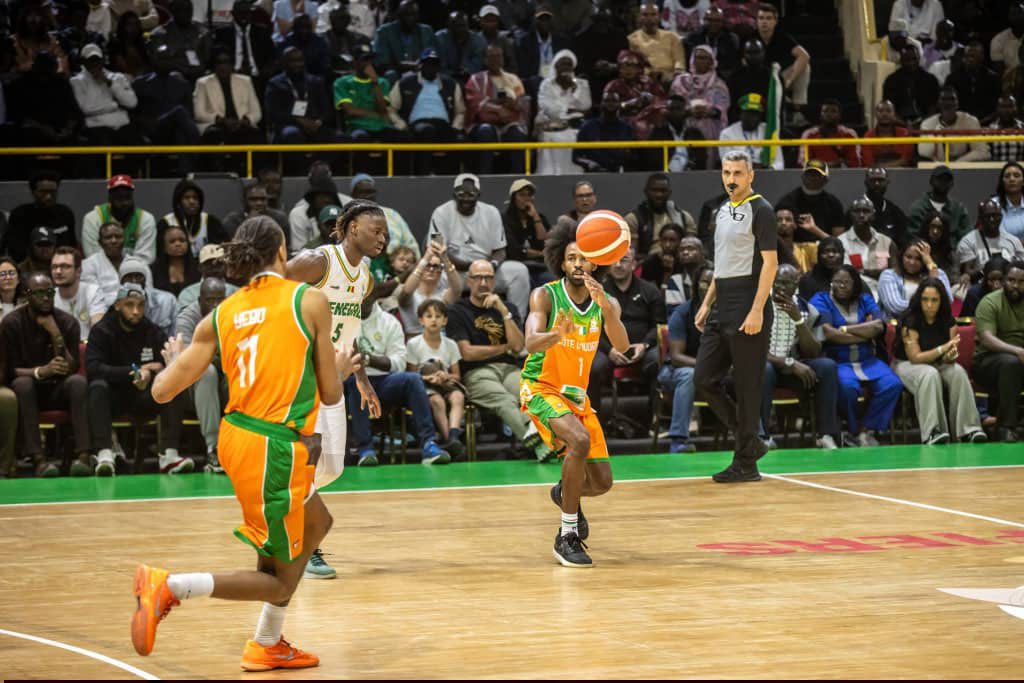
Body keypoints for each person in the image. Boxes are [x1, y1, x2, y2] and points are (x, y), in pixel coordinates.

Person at [135, 215, 358, 669]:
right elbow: (331, 392)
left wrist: (175, 361)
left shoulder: (221, 313)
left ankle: (268, 642)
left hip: (239, 439)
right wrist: (341, 367)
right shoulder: (309, 299)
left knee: (316, 523)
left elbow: (161, 392)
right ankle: (170, 586)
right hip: (273, 446)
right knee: (276, 579)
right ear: (282, 253)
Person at [522, 220, 629, 568]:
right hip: (541, 386)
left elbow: (623, 345)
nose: (578, 264)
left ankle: (563, 493)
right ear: (562, 263)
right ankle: (566, 535)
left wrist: (608, 307)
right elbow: (529, 342)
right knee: (579, 441)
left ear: (595, 262)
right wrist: (555, 334)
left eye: (584, 258)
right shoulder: (545, 295)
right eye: (572, 258)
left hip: (576, 398)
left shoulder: (605, 300)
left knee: (601, 483)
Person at [285, 200, 384, 576]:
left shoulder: (365, 278)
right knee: (311, 460)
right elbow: (269, 288)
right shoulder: (319, 262)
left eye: (385, 233)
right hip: (301, 374)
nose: (382, 239)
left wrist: (362, 381)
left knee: (332, 467)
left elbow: (350, 333)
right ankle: (305, 545)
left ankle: (284, 502)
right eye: (376, 230)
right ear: (353, 227)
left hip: (336, 377)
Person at [693, 149, 778, 482]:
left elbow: (769, 264)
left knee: (747, 388)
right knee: (704, 379)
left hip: (749, 300)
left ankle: (745, 463)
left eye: (738, 173)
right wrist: (706, 303)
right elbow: (721, 263)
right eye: (727, 173)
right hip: (722, 299)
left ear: (751, 175)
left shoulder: (763, 210)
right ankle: (751, 442)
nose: (731, 179)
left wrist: (757, 309)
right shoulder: (722, 211)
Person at [446, 259, 553, 462]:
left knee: (532, 394)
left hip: (509, 369)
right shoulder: (457, 311)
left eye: (488, 277)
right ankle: (541, 444)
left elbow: (518, 346)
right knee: (505, 402)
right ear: (469, 281)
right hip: (476, 372)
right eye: (478, 277)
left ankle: (538, 437)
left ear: (495, 282)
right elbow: (467, 353)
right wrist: (503, 348)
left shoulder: (507, 307)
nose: (483, 282)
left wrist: (504, 313)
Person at [87, 282, 190, 475]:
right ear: (118, 305)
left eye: (141, 305)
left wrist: (156, 370)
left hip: (143, 396)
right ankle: (105, 453)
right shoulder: (102, 331)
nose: (136, 311)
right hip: (113, 398)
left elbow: (166, 361)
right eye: (129, 305)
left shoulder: (151, 330)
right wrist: (133, 372)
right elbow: (93, 368)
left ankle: (169, 455)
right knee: (97, 387)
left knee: (172, 384)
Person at [2, 271, 90, 477]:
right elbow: (9, 371)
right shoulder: (11, 323)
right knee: (23, 384)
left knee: (78, 382)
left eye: (50, 292)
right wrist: (41, 371)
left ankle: (84, 456)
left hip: (58, 388)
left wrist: (56, 334)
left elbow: (73, 366)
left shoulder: (67, 322)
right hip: (27, 392)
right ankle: (39, 460)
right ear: (27, 294)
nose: (45, 297)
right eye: (39, 293)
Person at [346, 295, 452, 465]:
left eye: (366, 293)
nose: (361, 297)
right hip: (353, 379)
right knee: (355, 383)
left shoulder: (389, 322)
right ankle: (365, 449)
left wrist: (366, 358)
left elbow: (398, 363)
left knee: (413, 379)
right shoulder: (341, 321)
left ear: (374, 296)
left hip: (385, 381)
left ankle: (428, 444)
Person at [811, 265, 902, 446]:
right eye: (837, 282)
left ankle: (866, 429)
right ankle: (851, 430)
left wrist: (844, 329)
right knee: (847, 389)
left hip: (868, 359)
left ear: (855, 284)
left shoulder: (865, 299)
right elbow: (829, 334)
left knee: (892, 384)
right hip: (838, 360)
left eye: (846, 282)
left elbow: (877, 327)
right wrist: (863, 331)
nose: (841, 286)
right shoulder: (821, 299)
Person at [894, 278, 986, 445]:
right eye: (925, 299)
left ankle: (968, 430)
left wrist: (949, 357)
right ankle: (933, 432)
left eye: (934, 300)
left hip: (937, 362)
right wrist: (943, 349)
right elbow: (915, 357)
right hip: (907, 364)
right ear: (918, 300)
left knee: (958, 372)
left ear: (941, 301)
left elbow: (948, 354)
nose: (929, 305)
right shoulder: (910, 320)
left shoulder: (948, 321)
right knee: (929, 374)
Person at [760, 263, 840, 450]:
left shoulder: (808, 309)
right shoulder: (759, 306)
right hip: (764, 367)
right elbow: (751, 350)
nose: (781, 288)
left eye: (787, 283)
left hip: (793, 369)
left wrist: (798, 319)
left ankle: (826, 434)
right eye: (778, 282)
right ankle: (762, 435)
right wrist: (788, 362)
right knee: (765, 368)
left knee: (827, 366)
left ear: (797, 283)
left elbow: (813, 351)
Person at [429, 174, 530, 318]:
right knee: (436, 276)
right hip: (454, 271)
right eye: (461, 194)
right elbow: (438, 251)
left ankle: (516, 322)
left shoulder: (491, 212)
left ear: (478, 195)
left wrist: (491, 266)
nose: (465, 199)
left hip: (486, 271)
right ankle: (442, 325)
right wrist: (471, 268)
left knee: (519, 272)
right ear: (453, 194)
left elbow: (500, 250)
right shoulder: (441, 213)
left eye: (471, 194)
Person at [589, 248, 664, 425]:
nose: (618, 265)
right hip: (609, 349)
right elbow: (593, 327)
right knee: (593, 367)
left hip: (642, 348)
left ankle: (655, 421)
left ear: (634, 264)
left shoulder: (650, 290)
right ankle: (593, 424)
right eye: (613, 261)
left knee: (657, 361)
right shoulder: (597, 292)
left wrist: (644, 345)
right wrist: (609, 350)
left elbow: (659, 325)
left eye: (623, 260)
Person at [174, 276, 228, 472]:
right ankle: (213, 447)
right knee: (207, 371)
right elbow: (191, 361)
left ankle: (251, 442)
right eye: (209, 300)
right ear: (199, 301)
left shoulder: (233, 315)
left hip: (225, 377)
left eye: (219, 300)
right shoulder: (186, 318)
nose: (215, 305)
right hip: (190, 386)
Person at [387, 47, 466, 175]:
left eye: (434, 64)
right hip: (418, 125)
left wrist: (456, 127)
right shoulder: (405, 83)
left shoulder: (450, 84)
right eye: (428, 63)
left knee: (459, 139)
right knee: (426, 130)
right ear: (421, 65)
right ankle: (423, 174)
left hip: (443, 124)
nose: (431, 67)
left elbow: (460, 111)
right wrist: (401, 125)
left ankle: (450, 177)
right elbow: (391, 109)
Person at [659, 266, 712, 453]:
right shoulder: (682, 313)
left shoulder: (727, 313)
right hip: (676, 370)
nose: (708, 287)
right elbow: (676, 357)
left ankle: (755, 436)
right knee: (689, 375)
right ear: (697, 286)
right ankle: (679, 440)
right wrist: (707, 366)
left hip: (711, 370)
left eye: (713, 282)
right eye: (704, 282)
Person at [406, 299, 465, 455]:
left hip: (446, 383)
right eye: (429, 316)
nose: (433, 320)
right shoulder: (413, 344)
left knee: (458, 396)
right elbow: (411, 375)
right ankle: (449, 440)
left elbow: (457, 375)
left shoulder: (451, 344)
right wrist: (428, 378)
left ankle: (453, 436)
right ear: (421, 320)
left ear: (444, 320)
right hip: (424, 385)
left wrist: (445, 375)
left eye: (438, 316)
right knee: (436, 401)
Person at [974, 259, 1024, 443]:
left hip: (1020, 361)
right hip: (987, 362)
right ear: (1004, 281)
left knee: (1014, 364)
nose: (1015, 286)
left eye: (1020, 281)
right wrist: (1018, 351)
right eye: (1011, 280)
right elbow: (987, 339)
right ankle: (1006, 427)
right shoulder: (990, 302)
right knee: (1011, 363)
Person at [132, 44, 201, 174]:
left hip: (175, 132)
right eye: (162, 58)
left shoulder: (182, 84)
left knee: (181, 131)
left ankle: (184, 174)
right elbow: (133, 113)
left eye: (169, 59)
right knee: (179, 111)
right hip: (152, 130)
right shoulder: (140, 84)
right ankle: (200, 150)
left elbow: (190, 113)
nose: (166, 62)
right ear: (153, 60)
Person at [464, 44, 529, 174]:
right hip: (484, 123)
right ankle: (485, 178)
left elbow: (522, 106)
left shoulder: (514, 79)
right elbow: (477, 107)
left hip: (509, 123)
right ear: (485, 60)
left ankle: (519, 180)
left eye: (499, 56)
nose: (496, 60)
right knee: (486, 131)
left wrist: (511, 104)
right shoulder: (475, 80)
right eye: (491, 57)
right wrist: (500, 110)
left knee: (517, 133)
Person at [263, 47, 340, 152]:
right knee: (293, 134)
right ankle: (301, 168)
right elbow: (274, 113)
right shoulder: (275, 84)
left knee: (339, 137)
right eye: (292, 61)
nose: (297, 64)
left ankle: (321, 166)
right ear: (284, 63)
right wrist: (300, 121)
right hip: (288, 124)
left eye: (300, 60)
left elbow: (326, 109)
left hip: (314, 124)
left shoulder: (315, 81)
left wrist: (319, 122)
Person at [71, 43, 146, 148]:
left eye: (97, 60)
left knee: (139, 145)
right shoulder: (77, 81)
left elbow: (132, 103)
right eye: (91, 61)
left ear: (103, 60)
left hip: (122, 125)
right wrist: (114, 105)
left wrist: (109, 83)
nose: (95, 64)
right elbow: (85, 108)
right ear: (84, 62)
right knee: (102, 143)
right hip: (97, 127)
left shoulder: (117, 77)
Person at [534, 49, 591, 175]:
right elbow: (548, 108)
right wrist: (569, 110)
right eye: (562, 64)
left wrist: (575, 89)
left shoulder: (581, 84)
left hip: (575, 128)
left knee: (577, 137)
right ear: (556, 66)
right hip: (552, 127)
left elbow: (586, 105)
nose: (566, 67)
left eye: (569, 64)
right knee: (553, 137)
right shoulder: (546, 84)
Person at [670, 45, 729, 163]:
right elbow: (674, 104)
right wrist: (688, 111)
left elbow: (722, 108)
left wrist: (710, 111)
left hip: (711, 128)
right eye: (697, 57)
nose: (699, 61)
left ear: (711, 61)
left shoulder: (719, 84)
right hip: (685, 126)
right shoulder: (681, 81)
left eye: (704, 58)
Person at [193, 50, 265, 147]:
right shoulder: (202, 83)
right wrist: (222, 121)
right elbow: (198, 114)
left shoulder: (245, 81)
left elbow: (257, 112)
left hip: (240, 125)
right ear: (214, 65)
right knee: (215, 135)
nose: (223, 66)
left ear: (232, 65)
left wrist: (245, 121)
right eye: (219, 62)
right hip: (215, 125)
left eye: (226, 62)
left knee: (255, 136)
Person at [3, 171, 77, 263]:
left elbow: (72, 246)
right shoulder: (20, 215)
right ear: (33, 192)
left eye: (53, 192)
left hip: (60, 265)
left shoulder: (65, 213)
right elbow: (15, 250)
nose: (48, 196)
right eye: (43, 192)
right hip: (28, 268)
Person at [81, 175, 157, 265]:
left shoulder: (145, 219)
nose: (124, 202)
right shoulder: (93, 218)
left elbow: (146, 257)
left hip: (135, 273)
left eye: (127, 197)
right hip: (101, 274)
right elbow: (92, 255)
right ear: (110, 198)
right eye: (119, 197)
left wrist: (126, 271)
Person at [333, 44, 401, 142]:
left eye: (370, 59)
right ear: (354, 63)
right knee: (361, 137)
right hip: (358, 127)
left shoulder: (382, 82)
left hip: (381, 126)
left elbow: (382, 110)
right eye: (364, 60)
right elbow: (351, 111)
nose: (369, 63)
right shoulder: (342, 83)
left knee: (403, 137)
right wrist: (374, 114)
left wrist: (374, 82)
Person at [396, 239, 461, 336]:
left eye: (436, 266)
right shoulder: (411, 293)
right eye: (428, 265)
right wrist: (425, 259)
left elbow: (457, 290)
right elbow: (406, 292)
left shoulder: (443, 295)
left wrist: (445, 259)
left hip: (440, 341)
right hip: (415, 343)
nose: (431, 269)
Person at [624, 173, 697, 257]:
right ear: (646, 192)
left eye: (663, 191)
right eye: (654, 190)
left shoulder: (684, 217)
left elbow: (692, 249)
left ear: (669, 193)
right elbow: (631, 255)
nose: (659, 195)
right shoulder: (633, 218)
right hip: (646, 265)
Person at [348, 174, 420, 258]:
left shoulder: (391, 214)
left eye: (371, 192)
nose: (369, 196)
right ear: (353, 195)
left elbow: (411, 244)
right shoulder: (349, 218)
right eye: (364, 192)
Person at [755, 2, 810, 111]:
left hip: (779, 77)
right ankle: (783, 98)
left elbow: (804, 56)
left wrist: (789, 80)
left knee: (805, 67)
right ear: (756, 21)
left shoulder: (782, 37)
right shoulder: (751, 38)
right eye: (761, 18)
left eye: (768, 18)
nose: (764, 22)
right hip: (758, 78)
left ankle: (797, 108)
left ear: (775, 21)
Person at [957, 199, 1024, 287]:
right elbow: (967, 272)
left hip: (1009, 286)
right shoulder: (968, 241)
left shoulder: (1013, 241)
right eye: (988, 216)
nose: (992, 219)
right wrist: (991, 268)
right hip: (981, 285)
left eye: (996, 216)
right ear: (980, 218)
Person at [878, 240, 952, 320]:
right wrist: (930, 304)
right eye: (908, 257)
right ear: (901, 256)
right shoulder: (889, 275)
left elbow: (947, 301)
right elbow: (896, 307)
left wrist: (930, 263)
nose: (912, 262)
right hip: (899, 326)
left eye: (918, 259)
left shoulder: (938, 273)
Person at [156, 179, 227, 260]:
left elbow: (222, 250)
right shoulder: (166, 223)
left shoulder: (210, 221)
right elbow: (160, 255)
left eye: (195, 198)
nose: (192, 201)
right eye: (186, 197)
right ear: (178, 201)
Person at [838, 196, 896, 296]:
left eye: (866, 211)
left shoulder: (886, 242)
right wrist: (876, 273)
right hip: (853, 295)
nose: (861, 215)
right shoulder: (841, 242)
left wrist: (864, 271)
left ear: (873, 215)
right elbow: (846, 274)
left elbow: (895, 273)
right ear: (851, 215)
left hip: (884, 294)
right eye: (857, 211)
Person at [776, 159, 846, 240]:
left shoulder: (834, 204)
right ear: (802, 177)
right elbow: (778, 238)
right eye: (809, 174)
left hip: (825, 250)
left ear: (826, 179)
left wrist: (814, 229)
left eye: (817, 174)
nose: (812, 178)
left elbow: (839, 241)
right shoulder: (787, 202)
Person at [213, 0, 276, 88]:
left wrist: (265, 72)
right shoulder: (222, 33)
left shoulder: (262, 32)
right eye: (240, 13)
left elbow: (272, 57)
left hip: (258, 77)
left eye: (247, 13)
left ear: (251, 14)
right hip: (231, 77)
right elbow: (217, 57)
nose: (244, 16)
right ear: (233, 13)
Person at [288, 168, 352, 253]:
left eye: (329, 195)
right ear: (312, 198)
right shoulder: (298, 214)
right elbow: (298, 253)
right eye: (321, 195)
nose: (326, 200)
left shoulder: (342, 211)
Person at [918, 88, 990, 163]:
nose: (948, 103)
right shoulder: (927, 124)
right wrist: (936, 137)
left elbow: (982, 152)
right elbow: (924, 153)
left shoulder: (970, 121)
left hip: (963, 167)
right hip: (937, 167)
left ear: (957, 103)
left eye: (951, 99)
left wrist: (957, 163)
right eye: (943, 99)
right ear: (938, 103)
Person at [373, 0, 437, 84]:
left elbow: (432, 55)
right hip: (397, 73)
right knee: (390, 75)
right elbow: (381, 63)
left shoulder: (426, 31)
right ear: (398, 15)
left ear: (418, 15)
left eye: (414, 14)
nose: (410, 18)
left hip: (421, 71)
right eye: (406, 14)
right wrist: (402, 66)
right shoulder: (384, 32)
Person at [148, 0, 212, 82]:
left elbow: (208, 58)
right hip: (171, 78)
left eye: (189, 9)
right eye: (182, 9)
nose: (187, 13)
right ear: (173, 11)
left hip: (199, 75)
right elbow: (160, 62)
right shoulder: (160, 34)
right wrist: (182, 67)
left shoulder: (202, 31)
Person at [52, 246, 106, 343]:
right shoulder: (49, 297)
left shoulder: (93, 291)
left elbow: (98, 330)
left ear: (79, 271)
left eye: (65, 266)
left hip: (90, 349)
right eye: (54, 267)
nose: (58, 272)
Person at [718, 92, 784, 170]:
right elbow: (727, 164)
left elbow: (780, 163)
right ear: (740, 114)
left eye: (756, 114)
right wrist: (749, 167)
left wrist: (768, 169)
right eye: (749, 113)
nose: (753, 118)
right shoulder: (727, 134)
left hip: (768, 177)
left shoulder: (769, 131)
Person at [502, 178, 551, 283]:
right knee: (525, 280)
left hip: (539, 267)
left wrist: (536, 218)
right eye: (522, 195)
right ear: (513, 198)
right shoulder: (505, 219)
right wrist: (540, 254)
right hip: (516, 267)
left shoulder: (539, 218)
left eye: (529, 195)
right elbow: (514, 250)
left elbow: (545, 242)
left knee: (550, 280)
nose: (527, 199)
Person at [907, 166, 972, 244]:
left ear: (952, 184)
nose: (943, 182)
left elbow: (966, 238)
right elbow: (912, 237)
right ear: (931, 181)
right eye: (940, 178)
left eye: (947, 180)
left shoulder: (958, 209)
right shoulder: (918, 208)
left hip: (952, 253)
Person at [573, 91, 635, 173]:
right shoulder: (587, 127)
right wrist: (589, 163)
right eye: (607, 100)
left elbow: (632, 155)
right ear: (601, 103)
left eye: (614, 101)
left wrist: (626, 154)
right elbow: (576, 157)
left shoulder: (626, 128)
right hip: (593, 174)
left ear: (619, 104)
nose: (610, 103)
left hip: (616, 173)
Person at [629, 1, 685, 88]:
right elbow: (633, 65)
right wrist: (650, 74)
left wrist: (674, 75)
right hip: (644, 79)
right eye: (645, 14)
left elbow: (679, 62)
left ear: (659, 17)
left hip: (670, 79)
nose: (649, 18)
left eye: (653, 14)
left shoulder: (673, 37)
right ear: (639, 17)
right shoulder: (632, 39)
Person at [118, 258, 179, 337]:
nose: (134, 281)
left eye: (138, 276)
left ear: (145, 279)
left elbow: (177, 334)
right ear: (121, 282)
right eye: (128, 277)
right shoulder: (115, 305)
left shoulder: (167, 301)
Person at [882, 45, 940, 126]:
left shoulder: (930, 80)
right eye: (907, 60)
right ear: (901, 60)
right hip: (898, 124)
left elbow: (934, 108)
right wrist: (904, 124)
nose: (911, 63)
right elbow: (889, 108)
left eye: (914, 59)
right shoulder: (891, 80)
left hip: (926, 123)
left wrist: (922, 123)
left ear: (919, 59)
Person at [945, 41, 1000, 122]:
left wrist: (982, 122)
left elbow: (997, 107)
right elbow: (949, 105)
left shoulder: (993, 78)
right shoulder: (953, 78)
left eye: (974, 56)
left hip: (987, 123)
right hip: (959, 123)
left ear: (982, 57)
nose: (970, 59)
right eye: (967, 56)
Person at [799, 99, 861, 169]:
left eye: (833, 111)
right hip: (817, 176)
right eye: (825, 111)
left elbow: (856, 163)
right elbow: (803, 163)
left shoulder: (850, 134)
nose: (829, 114)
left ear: (839, 116)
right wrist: (828, 165)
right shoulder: (809, 134)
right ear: (820, 115)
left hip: (843, 175)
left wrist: (841, 164)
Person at [177, 244, 240, 310]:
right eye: (209, 263)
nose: (214, 268)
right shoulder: (188, 294)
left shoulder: (237, 292)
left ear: (225, 266)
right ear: (200, 267)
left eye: (219, 263)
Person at [82, 222, 128, 306]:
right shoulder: (88, 265)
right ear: (100, 242)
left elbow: (148, 293)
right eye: (108, 237)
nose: (114, 241)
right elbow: (93, 297)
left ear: (124, 240)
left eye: (118, 237)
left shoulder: (137, 263)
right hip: (101, 314)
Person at [223, 181, 289, 237]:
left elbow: (285, 246)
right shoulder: (233, 220)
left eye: (263, 199)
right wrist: (249, 224)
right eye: (253, 199)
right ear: (244, 201)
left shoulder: (279, 218)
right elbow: (232, 246)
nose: (259, 203)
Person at [435, 10, 486, 82]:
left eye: (463, 25)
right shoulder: (440, 39)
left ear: (468, 25)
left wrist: (467, 71)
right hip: (446, 80)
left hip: (471, 79)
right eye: (456, 25)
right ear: (448, 26)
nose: (460, 29)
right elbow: (440, 67)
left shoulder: (478, 41)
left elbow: (476, 66)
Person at [865, 167, 910, 248]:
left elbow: (903, 243)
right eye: (873, 180)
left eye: (881, 180)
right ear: (866, 183)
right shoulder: (855, 211)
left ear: (887, 182)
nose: (877, 184)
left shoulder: (896, 212)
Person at [276, 13, 331, 80]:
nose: (304, 31)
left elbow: (325, 65)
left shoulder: (320, 42)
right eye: (300, 27)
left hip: (315, 79)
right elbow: (280, 66)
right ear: (293, 28)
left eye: (307, 27)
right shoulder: (284, 43)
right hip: (290, 79)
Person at [151, 225, 201, 297]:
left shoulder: (198, 268)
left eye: (182, 240)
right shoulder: (154, 270)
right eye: (172, 241)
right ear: (164, 246)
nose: (178, 244)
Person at [861, 101, 914, 168]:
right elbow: (869, 163)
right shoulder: (868, 136)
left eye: (888, 111)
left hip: (901, 173)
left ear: (894, 114)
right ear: (875, 114)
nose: (884, 114)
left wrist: (883, 167)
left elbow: (906, 160)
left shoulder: (904, 133)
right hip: (875, 174)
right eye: (881, 111)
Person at [665, 236, 711, 310]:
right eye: (681, 250)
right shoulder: (675, 281)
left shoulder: (714, 275)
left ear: (702, 253)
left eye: (691, 249)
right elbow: (674, 311)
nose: (685, 252)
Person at [640, 223, 686, 288]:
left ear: (680, 242)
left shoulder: (684, 262)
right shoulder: (650, 263)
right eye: (664, 239)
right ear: (660, 241)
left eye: (672, 240)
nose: (667, 245)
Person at [798, 236, 844, 300]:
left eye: (835, 251)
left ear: (842, 255)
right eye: (826, 252)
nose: (830, 255)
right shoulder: (807, 280)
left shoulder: (851, 279)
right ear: (818, 255)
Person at [990, 1, 1024, 73]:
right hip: (1010, 81)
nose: (1018, 17)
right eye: (1014, 14)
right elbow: (1000, 73)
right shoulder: (998, 40)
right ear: (1009, 16)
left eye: (1020, 13)